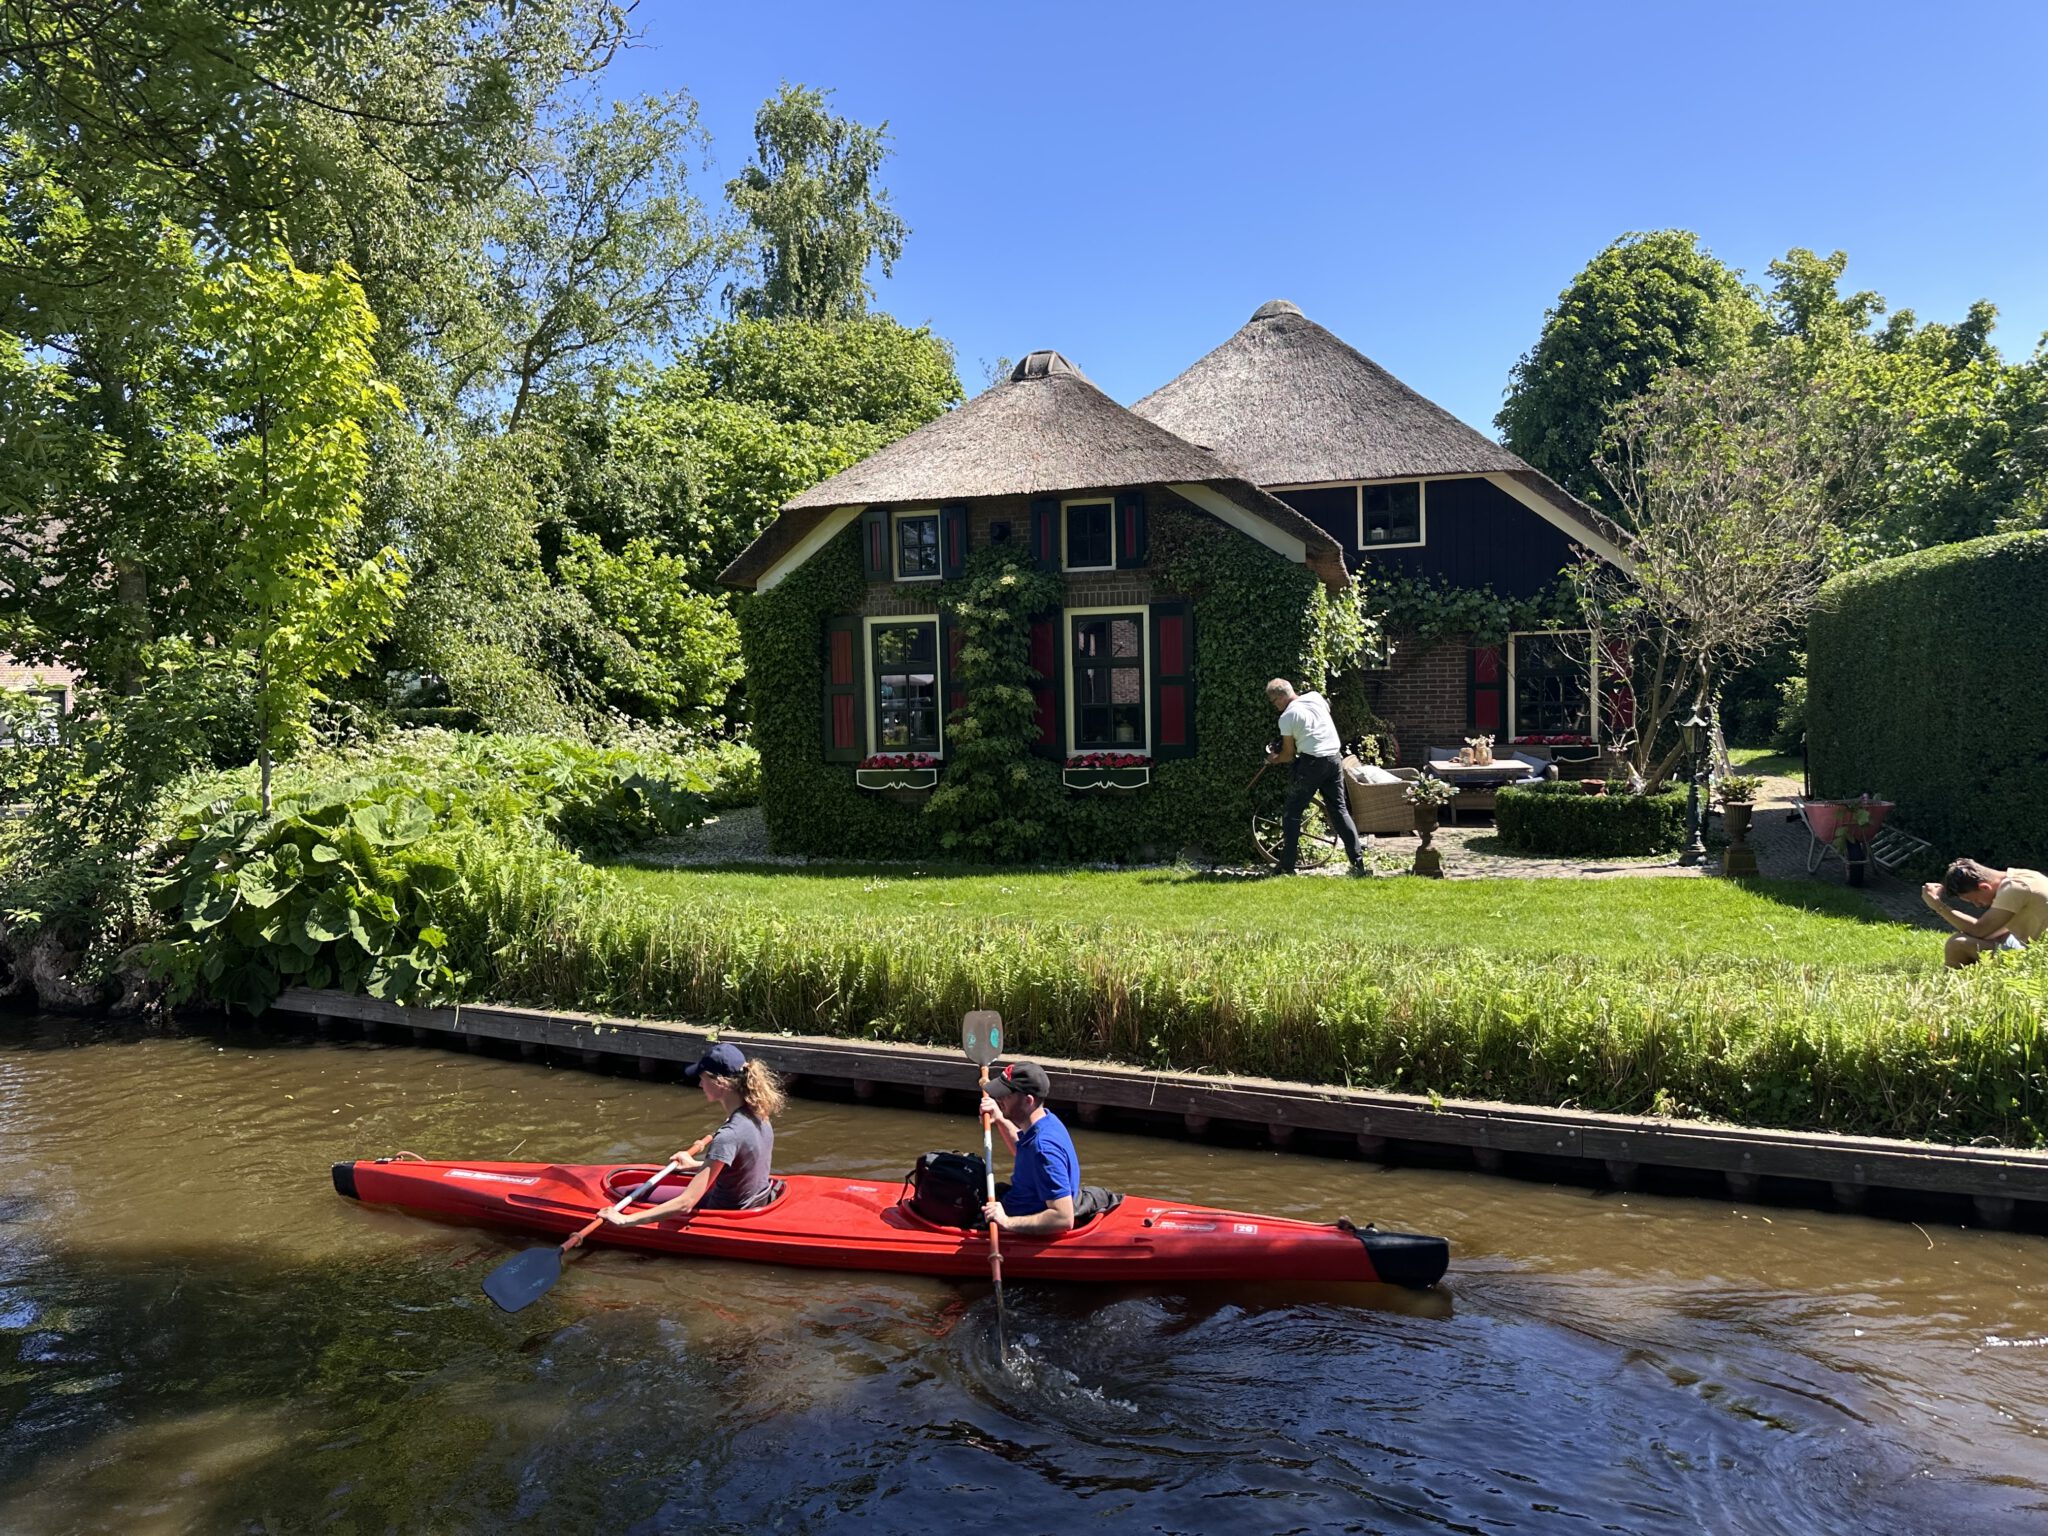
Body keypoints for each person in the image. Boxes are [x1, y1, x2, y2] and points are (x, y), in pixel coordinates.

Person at [602, 1042, 785, 1225]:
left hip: (723, 1211)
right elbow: (739, 1168)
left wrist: (625, 1220)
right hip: (754, 1201)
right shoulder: (760, 1115)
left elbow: (686, 1203)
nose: (700, 1084)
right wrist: (694, 1165)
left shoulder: (728, 1135)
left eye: (702, 1078)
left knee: (627, 1192)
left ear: (720, 1083)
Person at [1264, 677, 1368, 877]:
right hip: (1334, 759)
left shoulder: (1287, 717)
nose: (1275, 706)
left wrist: (1273, 759)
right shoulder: (1315, 697)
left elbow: (1288, 755)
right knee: (1339, 811)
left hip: (1312, 764)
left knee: (1292, 813)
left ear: (1280, 697)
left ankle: (1286, 867)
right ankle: (1358, 865)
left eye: (1274, 701)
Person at [977, 1060, 1081, 1236]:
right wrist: (1000, 1120)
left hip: (1017, 1218)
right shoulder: (1047, 1121)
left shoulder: (1044, 1150)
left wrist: (1006, 1221)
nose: (999, 1099)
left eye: (1005, 1095)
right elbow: (1024, 1154)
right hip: (1016, 1201)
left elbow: (1063, 1218)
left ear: (1028, 1100)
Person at [1923, 859, 2048, 968]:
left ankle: (1949, 984)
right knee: (1989, 936)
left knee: (1957, 944)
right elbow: (1990, 931)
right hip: (2036, 947)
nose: (1977, 905)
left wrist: (1938, 906)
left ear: (1984, 887)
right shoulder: (2025, 876)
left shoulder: (2013, 889)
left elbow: (1979, 930)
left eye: (1975, 900)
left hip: (2040, 957)